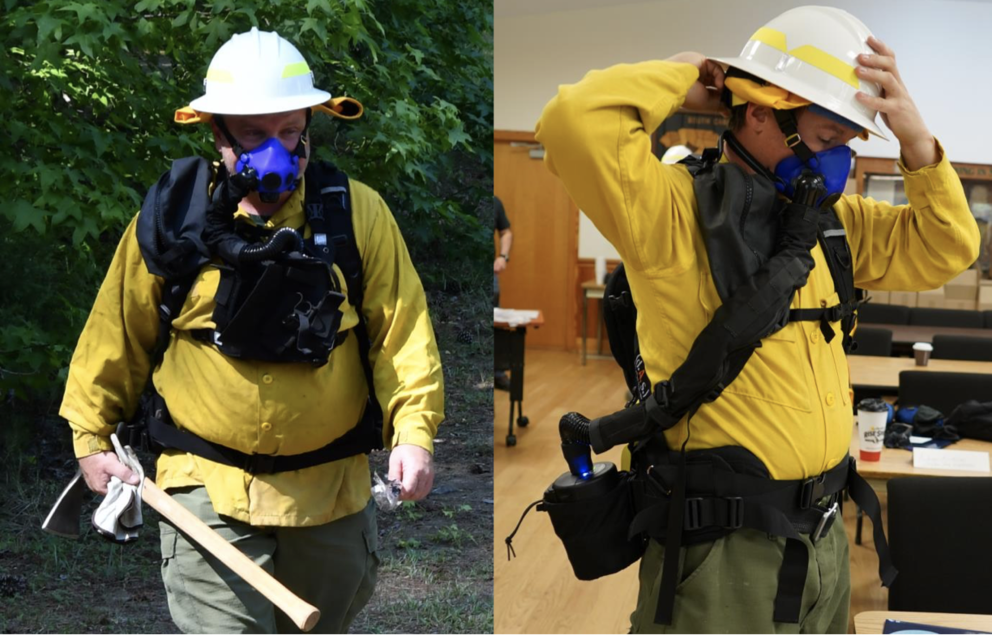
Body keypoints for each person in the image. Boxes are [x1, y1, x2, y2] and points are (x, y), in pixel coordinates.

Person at [536, 6, 979, 633]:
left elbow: (949, 247)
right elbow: (570, 124)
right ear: (761, 112)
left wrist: (917, 142)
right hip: (721, 557)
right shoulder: (673, 216)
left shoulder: (836, 225)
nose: (837, 167)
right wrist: (685, 70)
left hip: (823, 543)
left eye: (849, 147)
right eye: (827, 140)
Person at [59, 27, 444, 633]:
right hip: (204, 488)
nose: (277, 153)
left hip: (330, 493)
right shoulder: (174, 218)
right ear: (217, 136)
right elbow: (118, 331)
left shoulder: (354, 212)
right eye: (255, 136)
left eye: (290, 132)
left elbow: (402, 331)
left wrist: (414, 433)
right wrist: (90, 436)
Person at [494, 195, 513, 391]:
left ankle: (497, 373)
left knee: (495, 321)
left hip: (490, 274)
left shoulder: (495, 202)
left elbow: (506, 232)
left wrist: (503, 256)